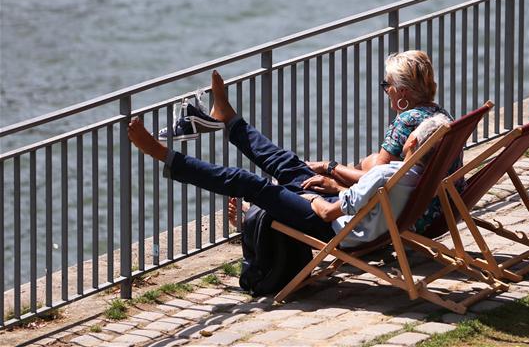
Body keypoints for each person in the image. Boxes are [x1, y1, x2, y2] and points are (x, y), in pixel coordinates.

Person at [128, 50, 455, 247]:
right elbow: (364, 191)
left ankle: (166, 156)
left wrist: (318, 189)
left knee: (250, 182)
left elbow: (331, 210)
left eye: (386, 85)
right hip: (357, 211)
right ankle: (229, 120)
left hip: (337, 222)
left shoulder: (390, 172)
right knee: (287, 164)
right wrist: (324, 184)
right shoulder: (434, 135)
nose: (384, 91)